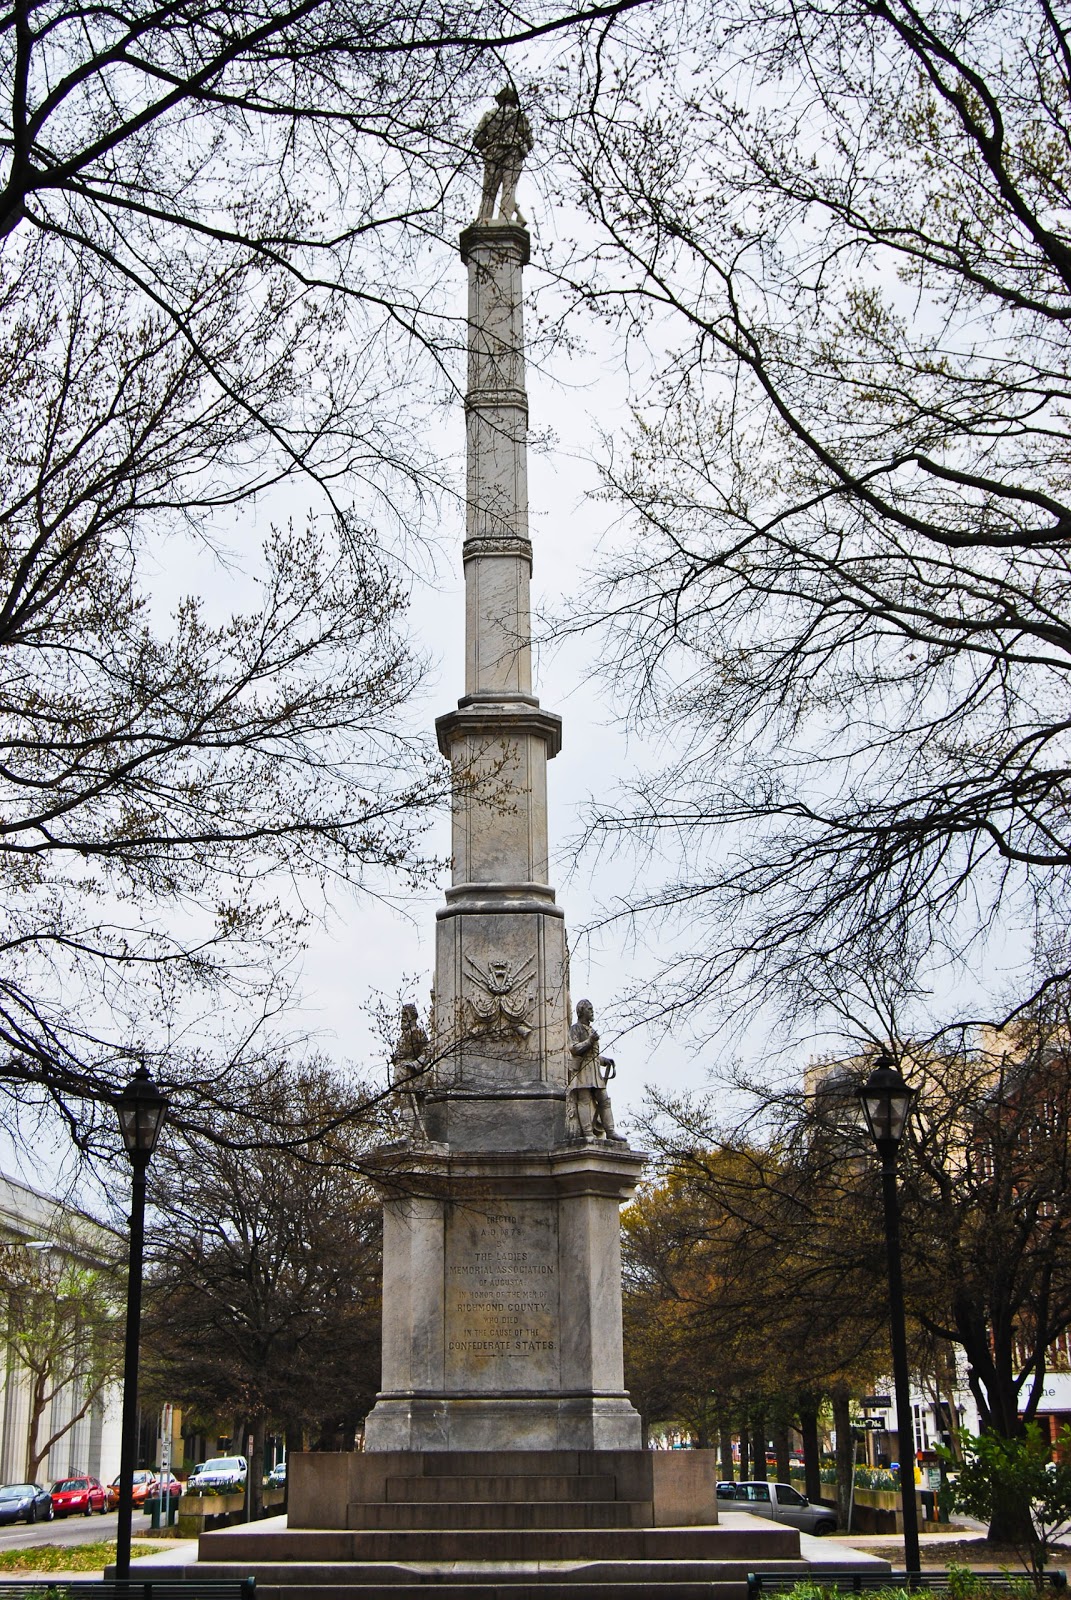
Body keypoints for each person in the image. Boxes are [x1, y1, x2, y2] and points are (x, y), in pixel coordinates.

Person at [567, 998, 626, 1141]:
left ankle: (610, 1131)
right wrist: (590, 1041)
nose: (592, 1012)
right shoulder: (576, 1028)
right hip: (583, 1070)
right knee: (584, 1099)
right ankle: (587, 1133)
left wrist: (604, 1061)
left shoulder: (591, 1030)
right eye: (589, 1009)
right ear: (581, 1012)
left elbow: (593, 1055)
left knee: (604, 1099)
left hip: (594, 1069)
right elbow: (574, 1049)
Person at [473, 86, 533, 224]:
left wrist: (487, 146)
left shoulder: (489, 115)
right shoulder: (520, 117)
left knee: (489, 191)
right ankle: (505, 219)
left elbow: (477, 138)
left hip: (492, 154)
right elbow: (530, 141)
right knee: (509, 187)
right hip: (513, 154)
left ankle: (483, 219)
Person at [391, 1002, 430, 1140]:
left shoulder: (417, 1033)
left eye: (404, 1015)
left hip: (412, 1074)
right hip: (401, 1073)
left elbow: (427, 1052)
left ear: (411, 1016)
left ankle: (410, 1132)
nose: (402, 1018)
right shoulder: (403, 1036)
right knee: (403, 1103)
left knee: (411, 1102)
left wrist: (415, 1064)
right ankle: (407, 1131)